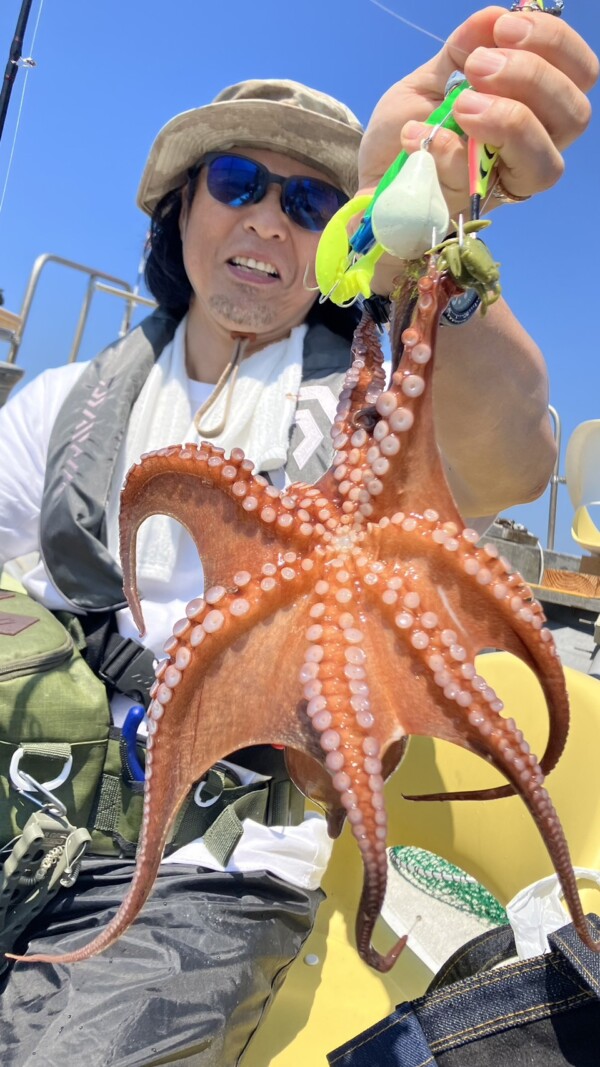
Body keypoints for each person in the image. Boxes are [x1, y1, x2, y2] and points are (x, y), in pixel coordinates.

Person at [0, 6, 597, 1066]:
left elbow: (509, 456)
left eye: (312, 199)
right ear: (180, 209)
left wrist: (435, 235)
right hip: (35, 805)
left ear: (341, 235)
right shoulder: (63, 404)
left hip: (218, 868)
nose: (270, 219)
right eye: (238, 184)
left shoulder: (355, 407)